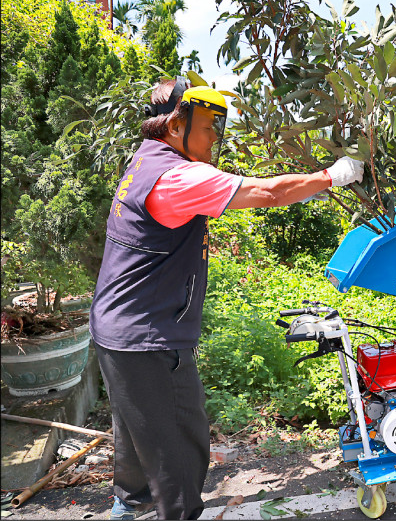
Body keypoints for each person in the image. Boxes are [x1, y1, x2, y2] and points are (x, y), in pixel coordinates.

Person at [89, 76, 363, 520]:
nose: (216, 136)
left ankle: (129, 506)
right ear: (176, 125)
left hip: (116, 328)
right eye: (209, 124)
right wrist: (331, 176)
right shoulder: (179, 176)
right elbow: (270, 193)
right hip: (150, 337)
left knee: (139, 431)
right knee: (179, 441)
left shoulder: (145, 160)